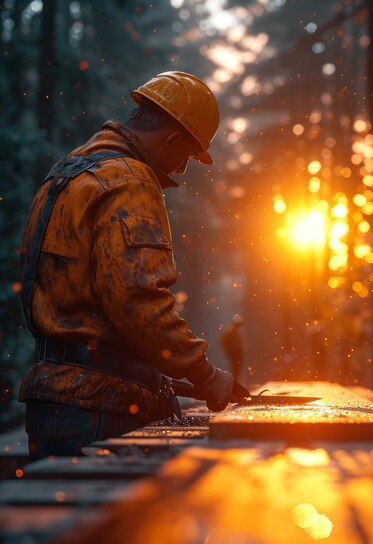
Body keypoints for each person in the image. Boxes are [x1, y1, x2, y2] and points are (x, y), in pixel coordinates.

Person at [19, 71, 247, 460]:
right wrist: (206, 375)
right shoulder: (130, 182)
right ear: (173, 139)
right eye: (188, 156)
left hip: (51, 398)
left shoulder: (67, 173)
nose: (181, 170)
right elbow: (138, 302)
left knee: (63, 518)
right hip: (101, 407)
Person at [220, 315, 247, 380]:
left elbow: (240, 344)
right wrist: (230, 351)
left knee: (237, 370)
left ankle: (235, 382)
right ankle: (234, 383)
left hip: (238, 355)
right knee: (235, 370)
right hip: (235, 355)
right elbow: (223, 341)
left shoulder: (237, 332)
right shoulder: (231, 332)